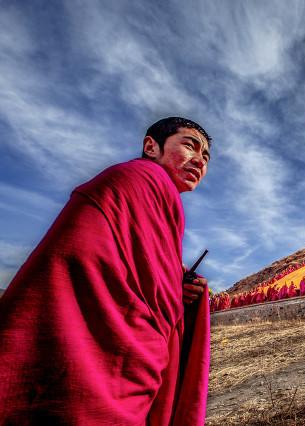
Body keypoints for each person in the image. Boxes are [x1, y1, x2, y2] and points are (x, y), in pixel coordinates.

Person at [0, 117, 212, 424]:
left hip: (131, 355)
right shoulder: (139, 178)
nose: (199, 160)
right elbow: (81, 257)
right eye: (190, 146)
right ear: (151, 146)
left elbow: (144, 274)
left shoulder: (162, 196)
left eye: (205, 157)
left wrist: (177, 286)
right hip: (93, 354)